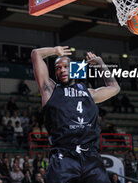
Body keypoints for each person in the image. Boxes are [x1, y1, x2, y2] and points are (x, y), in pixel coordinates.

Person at [31, 46, 120, 183]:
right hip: (64, 157)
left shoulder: (88, 93)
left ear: (73, 69)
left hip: (91, 156)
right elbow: (36, 53)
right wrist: (55, 51)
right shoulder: (50, 91)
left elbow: (114, 88)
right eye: (58, 68)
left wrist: (100, 63)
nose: (62, 70)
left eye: (66, 67)